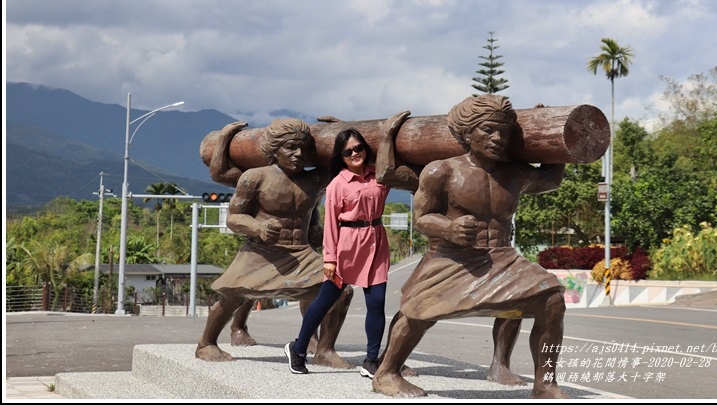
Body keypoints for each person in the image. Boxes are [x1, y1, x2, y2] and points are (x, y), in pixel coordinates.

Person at [372, 94, 570, 399]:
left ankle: (545, 384)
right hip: (454, 257)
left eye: (504, 131)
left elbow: (551, 179)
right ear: (467, 133)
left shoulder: (515, 173)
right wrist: (449, 227)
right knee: (418, 311)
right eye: (489, 130)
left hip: (503, 258)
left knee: (552, 299)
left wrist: (548, 131)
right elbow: (422, 218)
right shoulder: (442, 171)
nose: (498, 138)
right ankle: (386, 373)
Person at [195, 118, 354, 368]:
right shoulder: (254, 177)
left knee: (341, 291)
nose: (298, 154)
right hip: (260, 252)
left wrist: (345, 131)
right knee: (232, 297)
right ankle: (206, 343)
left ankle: (324, 350)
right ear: (274, 149)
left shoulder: (315, 180)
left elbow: (351, 164)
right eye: (290, 147)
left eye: (303, 148)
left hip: (300, 253)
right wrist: (256, 227)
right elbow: (234, 217)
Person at [285, 111, 413, 378]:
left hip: (376, 242)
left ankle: (371, 360)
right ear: (340, 157)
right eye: (348, 151)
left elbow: (390, 160)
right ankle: (297, 349)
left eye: (359, 148)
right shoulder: (337, 185)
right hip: (346, 247)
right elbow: (331, 224)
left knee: (376, 304)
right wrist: (329, 258)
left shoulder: (378, 175)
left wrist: (387, 133)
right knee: (324, 301)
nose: (355, 154)